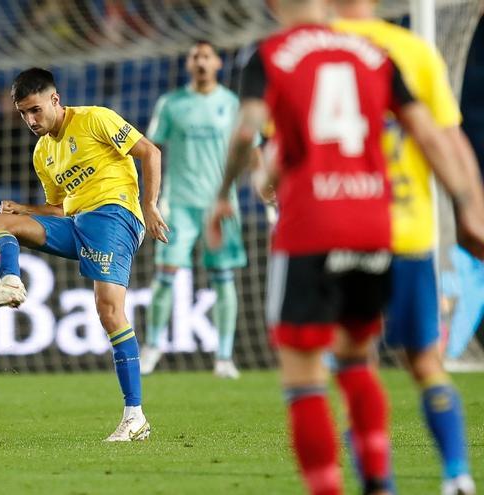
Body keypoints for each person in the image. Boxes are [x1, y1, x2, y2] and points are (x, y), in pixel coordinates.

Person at [208, 0, 484, 493]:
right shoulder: (375, 53)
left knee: (305, 375)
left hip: (312, 226)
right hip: (374, 227)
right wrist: (466, 205)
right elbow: (431, 135)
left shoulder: (271, 54)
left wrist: (223, 196)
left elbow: (249, 132)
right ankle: (382, 482)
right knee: (360, 360)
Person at [0, 67, 168, 442]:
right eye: (24, 113)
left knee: (108, 309)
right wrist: (24, 209)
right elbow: (60, 209)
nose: (30, 120)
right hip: (78, 223)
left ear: (55, 99)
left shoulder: (95, 118)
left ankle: (135, 416)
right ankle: (10, 283)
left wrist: (150, 205)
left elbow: (149, 152)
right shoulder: (43, 153)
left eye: (36, 110)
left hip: (114, 214)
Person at [333, 2, 482, 493]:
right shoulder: (412, 51)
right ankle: (458, 475)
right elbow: (447, 140)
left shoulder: (309, 53)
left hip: (342, 234)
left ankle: (379, 484)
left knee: (355, 361)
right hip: (410, 232)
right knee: (424, 362)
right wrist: (469, 210)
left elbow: (278, 154)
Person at [140, 40, 256, 378]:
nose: (201, 61)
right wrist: (152, 197)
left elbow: (249, 148)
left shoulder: (231, 104)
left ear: (218, 63)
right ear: (188, 64)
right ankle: (154, 346)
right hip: (178, 204)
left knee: (223, 280)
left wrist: (263, 185)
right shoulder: (171, 104)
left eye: (207, 56)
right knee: (165, 276)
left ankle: (223, 358)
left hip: (220, 206)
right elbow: (152, 150)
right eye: (195, 56)